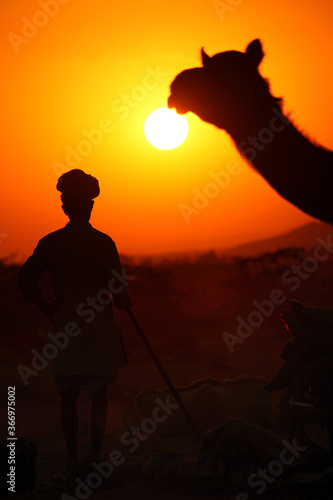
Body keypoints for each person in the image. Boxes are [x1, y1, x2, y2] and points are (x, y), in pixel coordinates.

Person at [18, 169, 132, 472]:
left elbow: (25, 277)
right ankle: (95, 456)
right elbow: (119, 291)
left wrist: (48, 307)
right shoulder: (104, 243)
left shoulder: (51, 243)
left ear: (65, 207)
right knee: (99, 396)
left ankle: (72, 459)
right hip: (98, 330)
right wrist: (124, 300)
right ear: (90, 206)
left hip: (66, 328)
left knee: (68, 396)